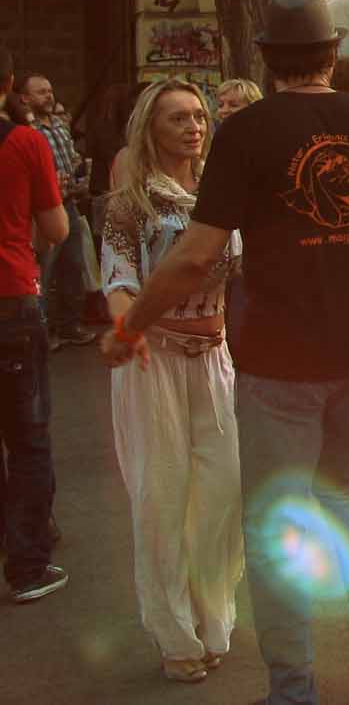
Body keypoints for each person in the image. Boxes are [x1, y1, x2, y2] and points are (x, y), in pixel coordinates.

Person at [110, 0, 349, 704]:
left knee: (274, 513)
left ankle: (294, 687)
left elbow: (197, 253)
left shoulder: (246, 132)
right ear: (331, 55)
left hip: (286, 357)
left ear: (268, 58)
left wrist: (132, 320)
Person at [97, 79, 243, 683]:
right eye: (178, 118)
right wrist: (127, 331)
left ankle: (214, 621)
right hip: (152, 363)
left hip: (215, 359)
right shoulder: (130, 203)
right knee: (161, 500)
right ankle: (175, 635)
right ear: (150, 128)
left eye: (199, 116)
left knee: (220, 497)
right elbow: (118, 282)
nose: (193, 126)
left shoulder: (221, 192)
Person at [0, 46, 70, 604]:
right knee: (27, 438)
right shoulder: (25, 142)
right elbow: (57, 226)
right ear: (9, 82)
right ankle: (26, 563)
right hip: (11, 297)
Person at [19, 72, 93, 349]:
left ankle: (69, 323)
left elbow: (71, 156)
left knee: (72, 266)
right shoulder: (29, 132)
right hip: (45, 209)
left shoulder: (60, 126)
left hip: (70, 204)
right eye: (40, 92)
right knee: (45, 270)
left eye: (49, 91)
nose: (48, 96)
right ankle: (43, 329)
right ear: (25, 99)